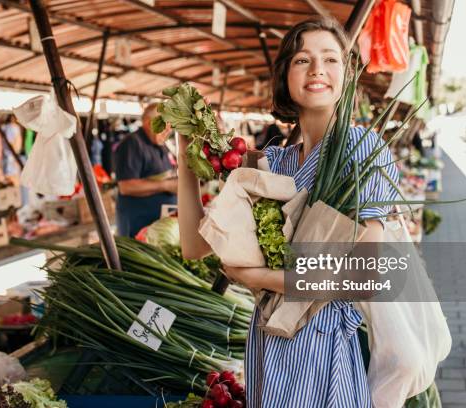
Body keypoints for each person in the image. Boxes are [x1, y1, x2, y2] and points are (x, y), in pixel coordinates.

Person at [177, 18, 399, 407]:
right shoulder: (273, 164)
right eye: (302, 60)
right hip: (268, 346)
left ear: (346, 75)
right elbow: (195, 246)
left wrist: (259, 276)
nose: (317, 69)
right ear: (285, 76)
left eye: (330, 59)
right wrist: (185, 156)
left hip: (321, 352)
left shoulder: (361, 150)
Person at [113, 104, 177, 238]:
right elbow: (126, 186)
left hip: (157, 224)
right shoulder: (131, 144)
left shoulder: (160, 144)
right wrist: (166, 185)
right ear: (149, 123)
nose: (168, 131)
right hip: (137, 223)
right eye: (165, 126)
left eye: (170, 127)